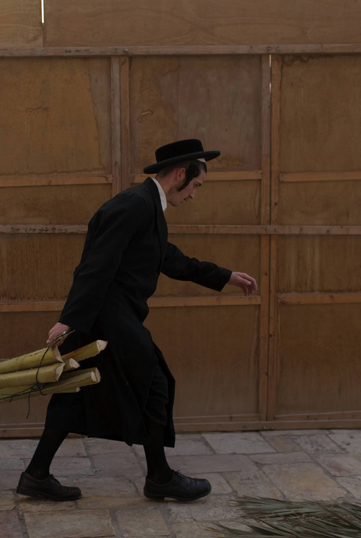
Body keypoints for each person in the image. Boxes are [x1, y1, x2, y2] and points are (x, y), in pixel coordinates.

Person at [16, 139, 259, 502]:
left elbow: (169, 258)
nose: (193, 195)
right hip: (108, 317)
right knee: (155, 383)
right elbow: (96, 264)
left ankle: (36, 474)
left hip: (112, 315)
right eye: (195, 185)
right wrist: (69, 320)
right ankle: (159, 477)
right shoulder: (134, 205)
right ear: (180, 174)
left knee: (75, 394)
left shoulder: (147, 207)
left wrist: (223, 276)